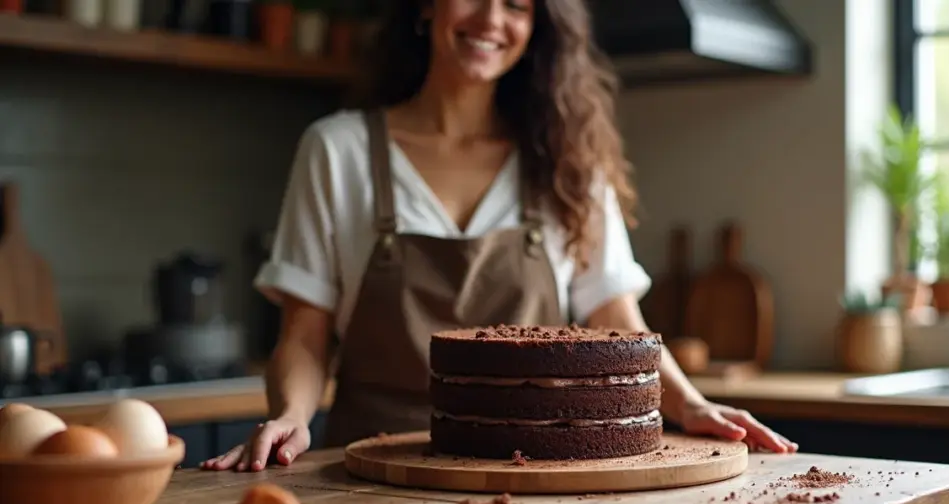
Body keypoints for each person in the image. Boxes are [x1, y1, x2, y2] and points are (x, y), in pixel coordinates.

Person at [202, 0, 797, 473]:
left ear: (538, 26)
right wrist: (290, 415)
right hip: (372, 473)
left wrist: (689, 405)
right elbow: (304, 336)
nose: (491, 19)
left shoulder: (566, 165)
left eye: (517, 5)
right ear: (425, 6)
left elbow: (617, 320)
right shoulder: (337, 151)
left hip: (533, 476)